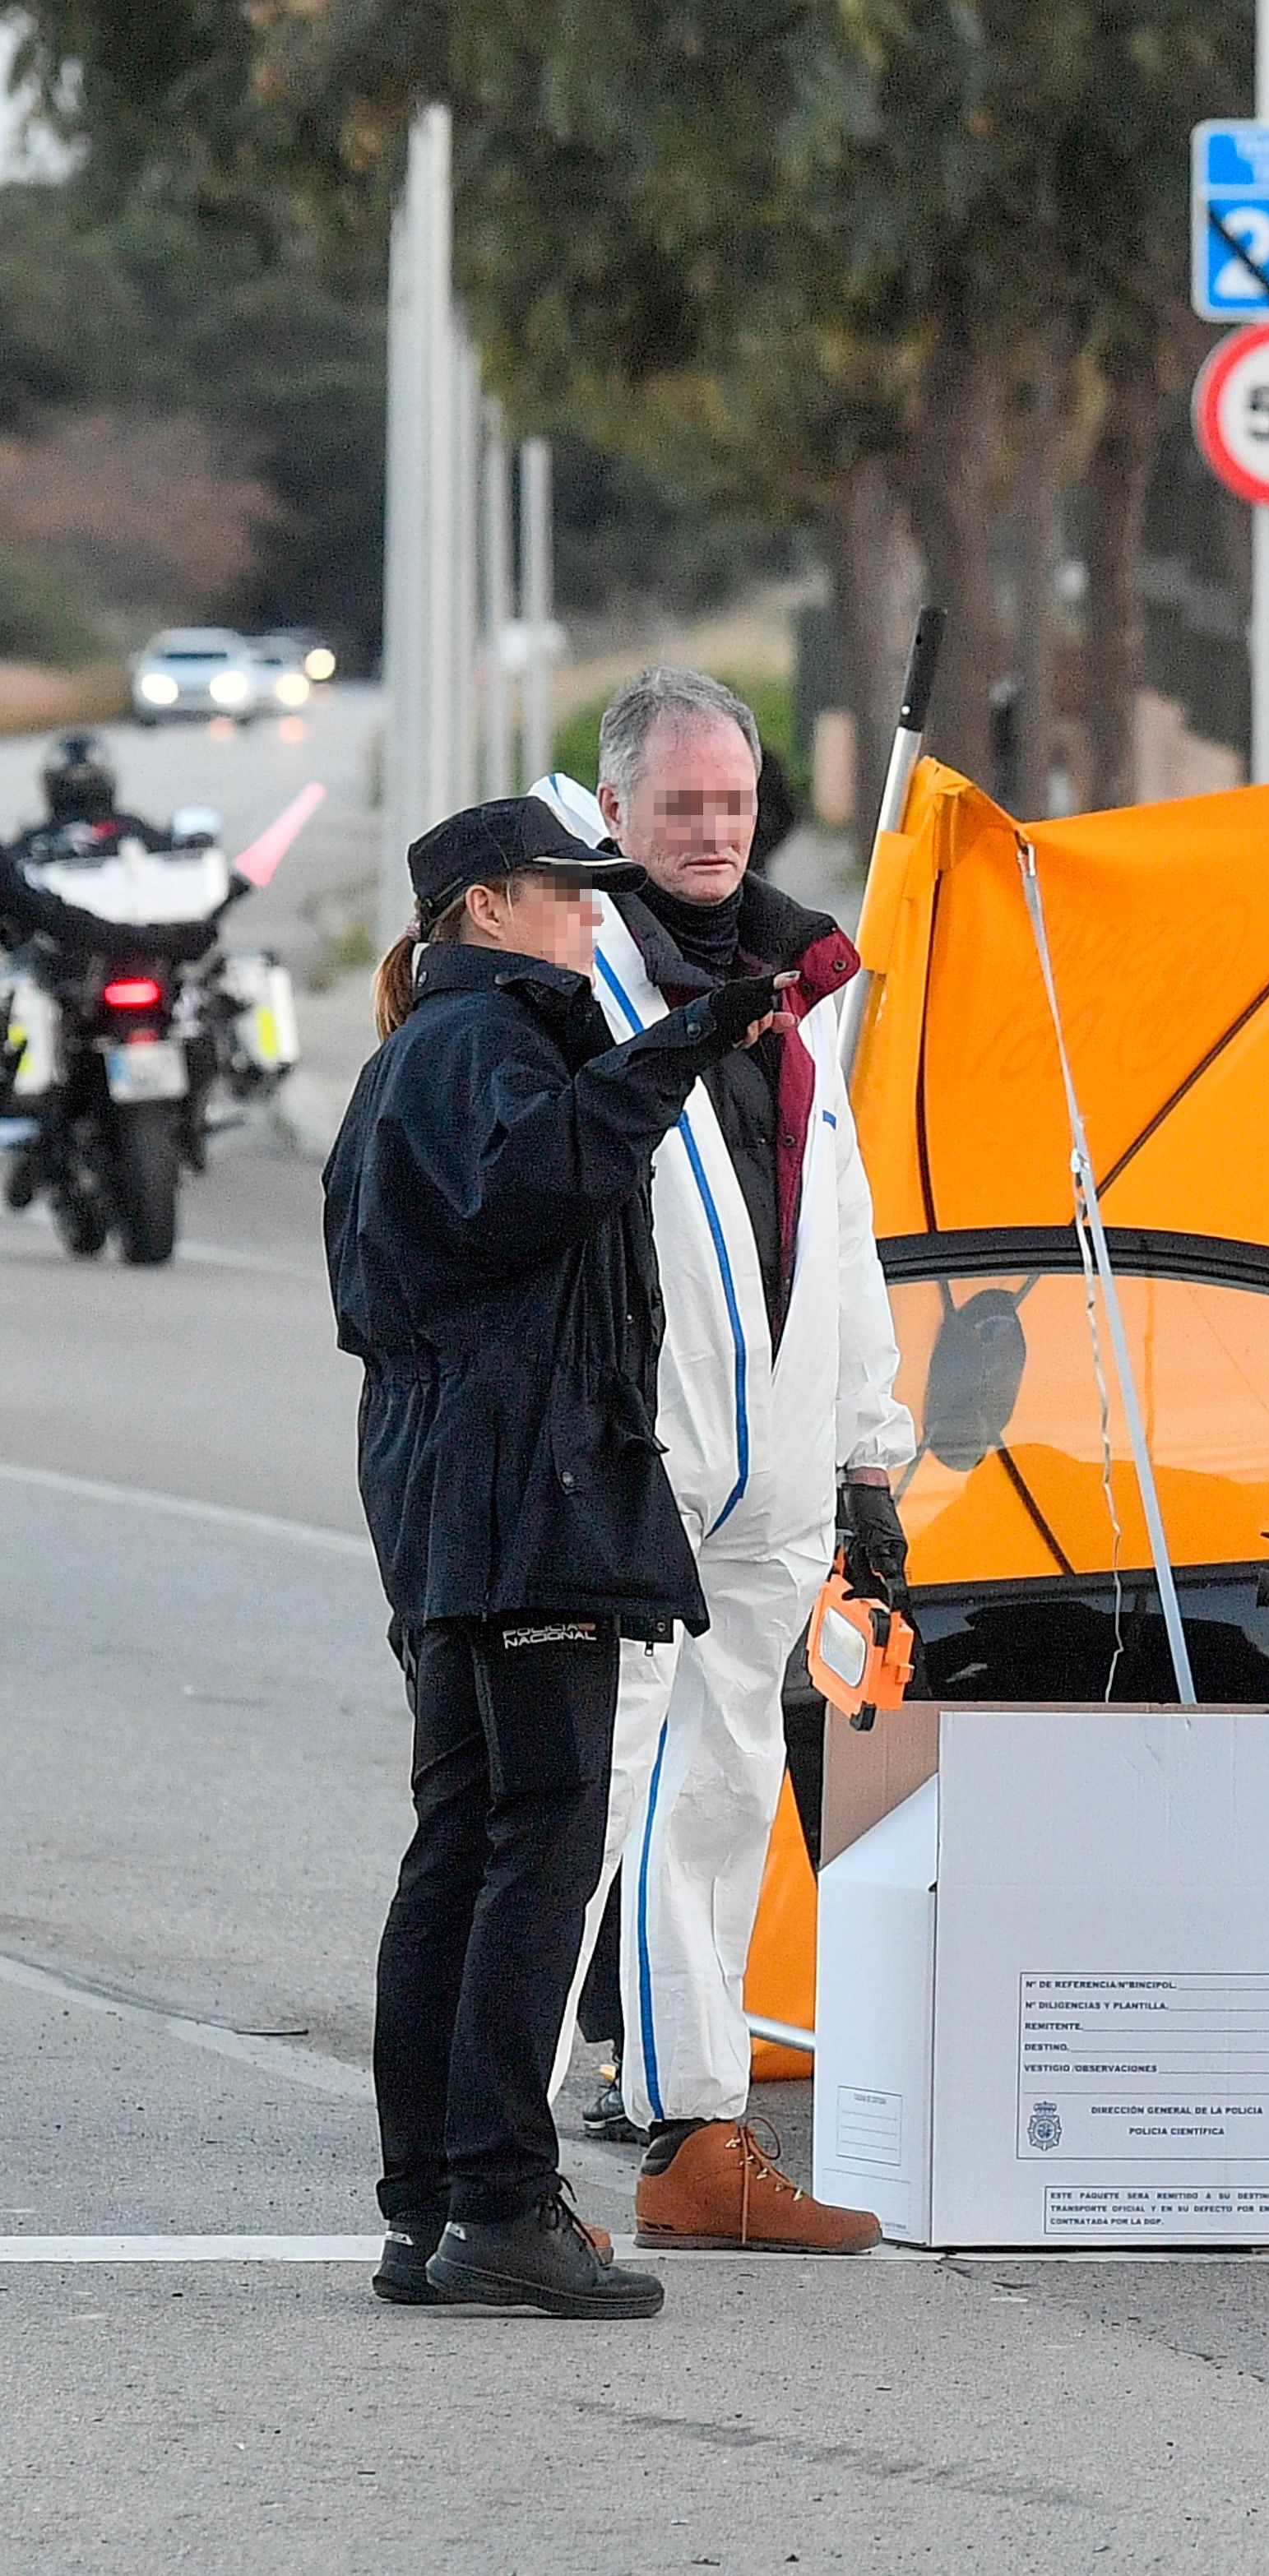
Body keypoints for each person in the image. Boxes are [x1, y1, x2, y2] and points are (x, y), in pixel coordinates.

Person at [329, 796, 794, 2320]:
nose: (595, 919)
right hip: (517, 1499)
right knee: (532, 1847)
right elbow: (539, 1187)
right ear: (485, 907)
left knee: (466, 1845)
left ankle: (435, 2207)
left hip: (472, 1494)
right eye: (568, 895)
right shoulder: (478, 1051)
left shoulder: (447, 1051)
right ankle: (503, 2202)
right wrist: (678, 1048)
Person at [553, 667, 913, 2254]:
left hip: (774, 1464)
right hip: (635, 1454)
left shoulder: (799, 984)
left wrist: (870, 1459)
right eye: (680, 804)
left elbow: (838, 1228)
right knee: (614, 1785)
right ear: (615, 808)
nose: (711, 831)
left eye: (734, 802)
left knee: (717, 1788)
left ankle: (602, 2095)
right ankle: (668, 2119)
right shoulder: (571, 973)